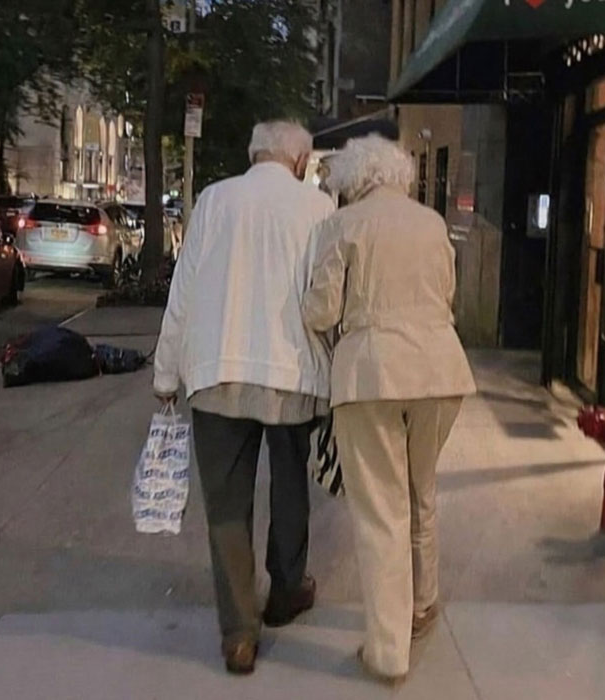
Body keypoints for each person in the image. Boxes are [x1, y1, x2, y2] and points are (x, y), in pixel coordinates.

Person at [153, 121, 334, 675]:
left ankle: (238, 633)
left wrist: (166, 374)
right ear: (299, 160)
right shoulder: (318, 208)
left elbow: (183, 289)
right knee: (289, 484)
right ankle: (284, 592)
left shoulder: (213, 200)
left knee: (226, 505)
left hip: (216, 368)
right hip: (291, 372)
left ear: (253, 154)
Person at [303, 135, 476, 684]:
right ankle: (424, 604)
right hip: (441, 371)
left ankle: (387, 652)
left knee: (381, 512)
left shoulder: (343, 225)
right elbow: (448, 294)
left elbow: (321, 310)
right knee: (420, 489)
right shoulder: (432, 223)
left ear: (355, 178)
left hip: (372, 372)